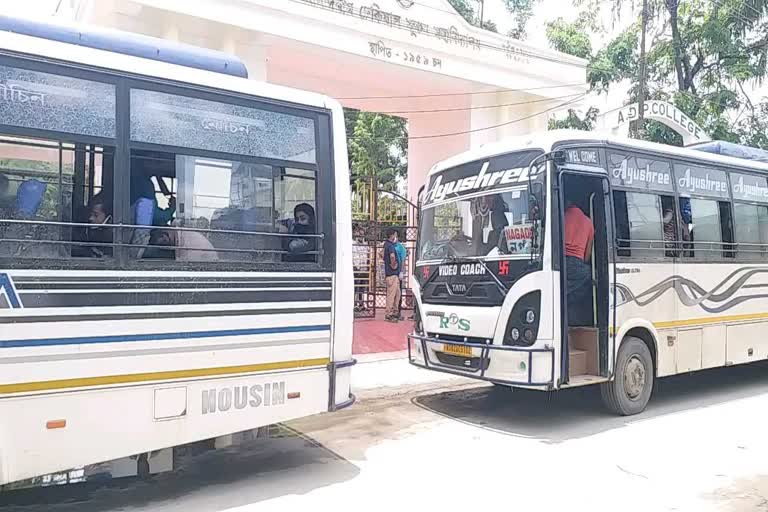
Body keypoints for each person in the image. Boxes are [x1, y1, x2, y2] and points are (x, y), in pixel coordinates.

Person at [564, 196, 594, 327]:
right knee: (590, 277)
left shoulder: (561, 215)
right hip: (577, 265)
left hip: (560, 262)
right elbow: (587, 256)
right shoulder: (588, 222)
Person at [72, 193, 113, 258]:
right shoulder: (85, 231)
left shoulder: (112, 234)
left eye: (95, 215)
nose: (91, 218)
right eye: (90, 214)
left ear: (108, 216)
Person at [148, 226, 218, 261]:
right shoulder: (183, 234)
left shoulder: (186, 242)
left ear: (164, 234)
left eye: (163, 243)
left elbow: (186, 265)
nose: (165, 246)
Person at [383, 227, 401, 322]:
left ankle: (394, 312)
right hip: (392, 274)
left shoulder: (386, 245)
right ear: (392, 235)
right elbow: (392, 256)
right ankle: (389, 314)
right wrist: (393, 265)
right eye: (395, 234)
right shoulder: (390, 246)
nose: (395, 236)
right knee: (392, 294)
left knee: (397, 294)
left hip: (393, 274)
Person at [353, 225, 369, 312]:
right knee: (356, 287)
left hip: (364, 268)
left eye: (362, 234)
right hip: (356, 268)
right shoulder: (352, 244)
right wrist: (356, 267)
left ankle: (361, 303)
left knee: (362, 287)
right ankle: (354, 304)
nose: (361, 236)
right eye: (359, 234)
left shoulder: (365, 245)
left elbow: (366, 256)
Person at [394, 233, 407, 319]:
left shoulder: (400, 247)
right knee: (392, 292)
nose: (394, 238)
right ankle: (392, 311)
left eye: (396, 236)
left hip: (398, 272)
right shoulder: (389, 246)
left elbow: (402, 260)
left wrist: (401, 272)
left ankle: (398, 312)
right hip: (392, 272)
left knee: (398, 292)